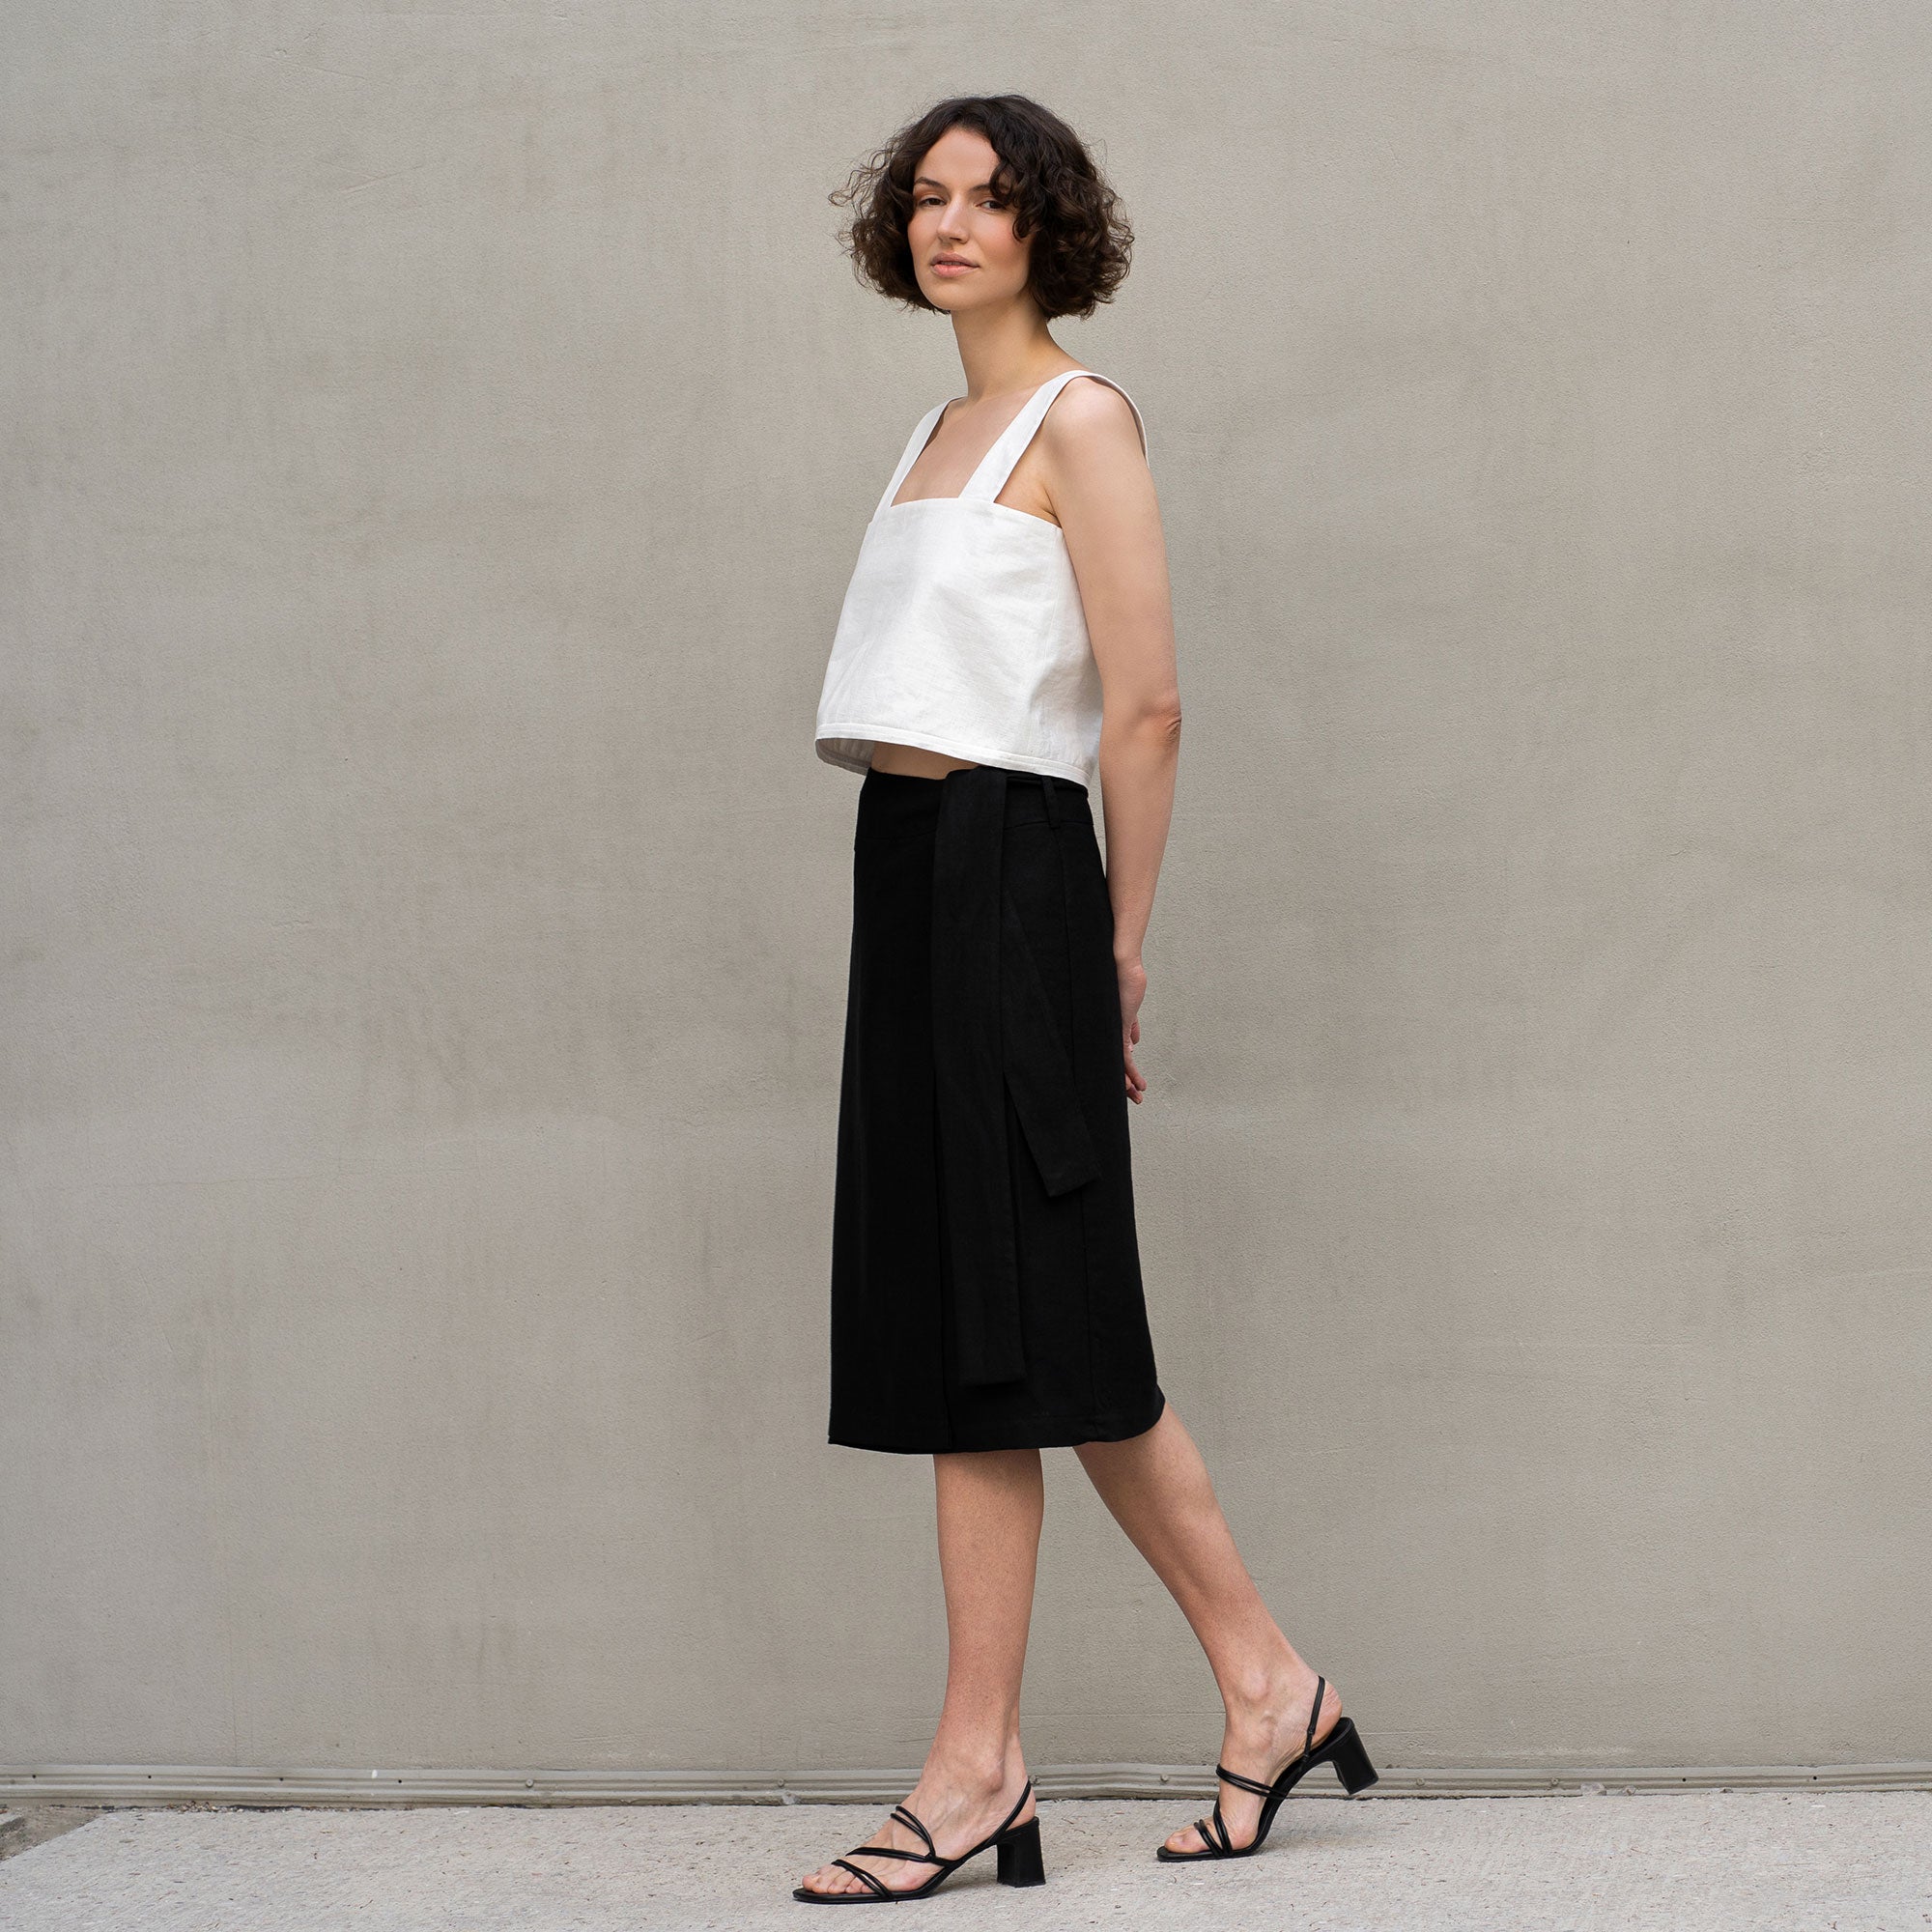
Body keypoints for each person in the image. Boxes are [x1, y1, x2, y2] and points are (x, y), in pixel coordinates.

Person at [795, 95, 1378, 1905]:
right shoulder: (935, 429)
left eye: (988, 198)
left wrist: (1116, 942)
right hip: (912, 871)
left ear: (1050, 227)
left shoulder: (1081, 419)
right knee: (1021, 1334)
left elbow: (1148, 704)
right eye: (926, 197)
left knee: (1011, 1335)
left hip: (1016, 878)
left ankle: (979, 1770)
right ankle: (1268, 1686)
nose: (949, 223)